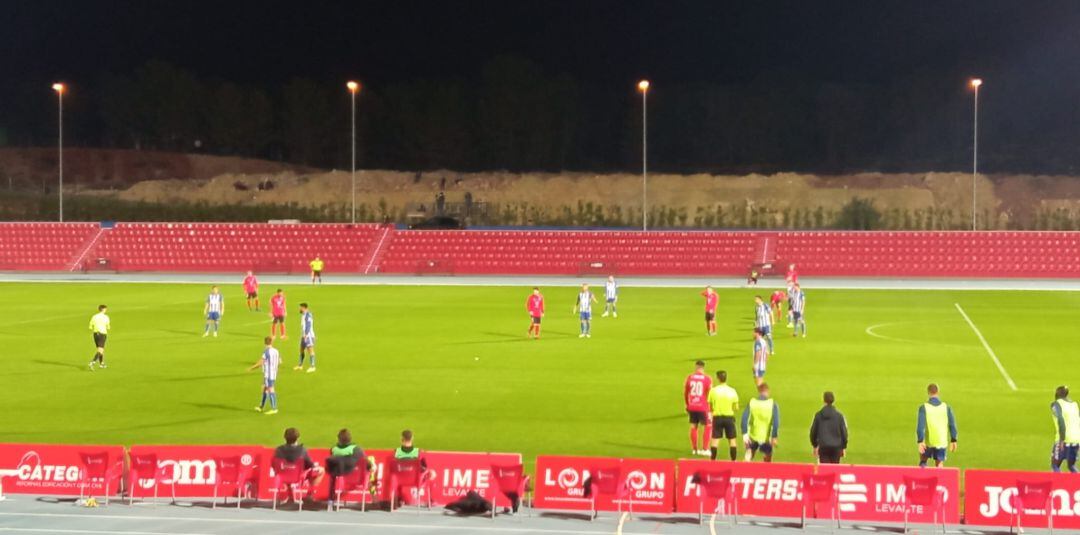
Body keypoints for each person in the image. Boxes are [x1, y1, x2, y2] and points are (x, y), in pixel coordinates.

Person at [273, 427, 324, 499]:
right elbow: (310, 465)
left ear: (285, 437)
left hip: (282, 475)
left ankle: (290, 495)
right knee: (321, 470)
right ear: (297, 438)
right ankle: (310, 495)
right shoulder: (302, 450)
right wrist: (314, 466)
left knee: (287, 470)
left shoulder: (278, 449)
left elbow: (274, 464)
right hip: (298, 476)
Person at [916, 383, 957, 467]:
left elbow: (920, 426)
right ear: (938, 392)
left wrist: (920, 441)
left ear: (928, 393)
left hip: (928, 442)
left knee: (923, 461)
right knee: (939, 465)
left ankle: (922, 479)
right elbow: (952, 424)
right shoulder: (946, 407)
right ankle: (938, 479)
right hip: (941, 441)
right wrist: (953, 439)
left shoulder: (924, 407)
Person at [741, 382, 780, 462]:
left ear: (759, 391)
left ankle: (742, 472)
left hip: (753, 436)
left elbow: (744, 419)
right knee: (768, 459)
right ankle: (766, 474)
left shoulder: (752, 402)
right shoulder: (772, 404)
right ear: (768, 391)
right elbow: (776, 422)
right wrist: (774, 436)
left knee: (748, 458)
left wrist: (745, 434)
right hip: (766, 438)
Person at [707, 370, 740, 461]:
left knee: (715, 440)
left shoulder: (713, 391)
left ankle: (712, 460)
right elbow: (736, 407)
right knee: (732, 440)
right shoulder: (732, 391)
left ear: (718, 378)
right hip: (729, 417)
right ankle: (733, 461)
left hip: (717, 417)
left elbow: (710, 407)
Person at [326, 428, 368, 499]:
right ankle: (374, 498)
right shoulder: (355, 449)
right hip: (354, 476)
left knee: (332, 472)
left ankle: (331, 497)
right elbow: (365, 462)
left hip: (339, 474)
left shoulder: (333, 449)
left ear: (339, 439)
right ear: (350, 438)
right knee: (371, 467)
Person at [809, 391, 848, 464]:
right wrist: (843, 446)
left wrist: (815, 445)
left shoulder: (818, 415)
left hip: (823, 446)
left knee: (824, 469)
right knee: (834, 469)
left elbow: (813, 432)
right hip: (836, 447)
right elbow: (844, 433)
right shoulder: (839, 416)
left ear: (824, 400)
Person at [684, 360, 713, 456]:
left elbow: (686, 392)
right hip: (703, 407)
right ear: (703, 367)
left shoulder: (690, 377)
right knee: (708, 426)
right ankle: (705, 449)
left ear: (696, 367)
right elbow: (710, 394)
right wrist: (711, 407)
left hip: (692, 406)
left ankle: (694, 449)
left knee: (693, 426)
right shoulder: (707, 379)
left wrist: (687, 404)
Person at [1051, 385, 1080, 473]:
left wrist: (1062, 439)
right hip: (1076, 439)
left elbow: (1060, 420)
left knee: (1055, 465)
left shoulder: (1056, 404)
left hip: (1064, 439)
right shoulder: (1074, 404)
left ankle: (1058, 485)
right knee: (1071, 465)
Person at [249, 336, 280, 414]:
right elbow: (280, 361)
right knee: (264, 388)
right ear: (271, 342)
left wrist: (252, 368)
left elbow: (260, 363)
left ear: (265, 343)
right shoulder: (276, 351)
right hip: (274, 373)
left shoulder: (266, 352)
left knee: (270, 389)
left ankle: (274, 408)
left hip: (268, 374)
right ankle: (261, 407)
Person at [294, 302, 316, 373]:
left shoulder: (308, 315)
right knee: (301, 350)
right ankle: (300, 365)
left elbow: (308, 325)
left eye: (300, 307)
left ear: (304, 308)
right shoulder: (303, 315)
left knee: (310, 350)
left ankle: (312, 366)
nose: (299, 309)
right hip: (303, 336)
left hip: (308, 335)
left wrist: (306, 334)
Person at [88, 304, 110, 370]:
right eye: (105, 309)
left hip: (95, 334)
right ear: (103, 309)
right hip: (102, 334)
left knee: (100, 349)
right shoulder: (106, 317)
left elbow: (90, 326)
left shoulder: (94, 316)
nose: (106, 310)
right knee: (101, 350)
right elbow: (108, 327)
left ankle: (102, 364)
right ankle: (92, 362)